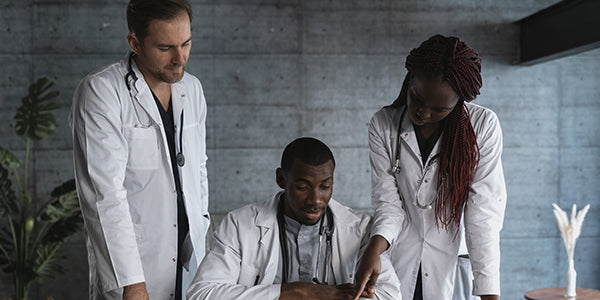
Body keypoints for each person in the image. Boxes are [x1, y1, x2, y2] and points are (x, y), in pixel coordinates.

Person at [70, 0, 209, 299]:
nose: (179, 58)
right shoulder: (101, 92)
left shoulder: (192, 89)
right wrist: (132, 283)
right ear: (135, 42)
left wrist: (200, 230)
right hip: (135, 270)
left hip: (189, 265)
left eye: (186, 43)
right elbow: (103, 194)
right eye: (165, 48)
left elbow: (198, 169)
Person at [354, 34, 507, 300]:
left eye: (439, 109)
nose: (423, 114)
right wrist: (374, 249)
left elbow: (482, 214)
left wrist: (489, 294)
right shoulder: (383, 124)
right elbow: (388, 203)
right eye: (418, 99)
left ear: (458, 102)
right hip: (399, 258)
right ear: (410, 79)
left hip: (452, 265)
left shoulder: (482, 127)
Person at [186, 137, 401, 300]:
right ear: (281, 179)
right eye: (302, 187)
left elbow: (390, 295)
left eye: (325, 186)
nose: (315, 199)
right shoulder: (240, 225)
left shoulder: (360, 230)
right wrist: (299, 292)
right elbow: (203, 293)